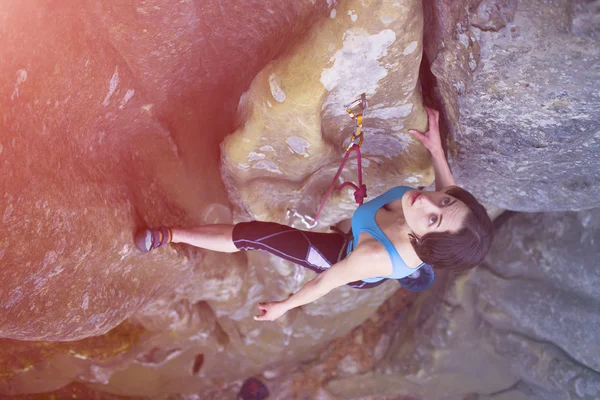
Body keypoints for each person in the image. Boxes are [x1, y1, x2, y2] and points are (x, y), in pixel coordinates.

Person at [135, 107, 494, 322]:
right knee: (430, 236)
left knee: (254, 235)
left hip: (353, 255)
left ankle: (171, 235)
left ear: (424, 239)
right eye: (443, 203)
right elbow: (448, 188)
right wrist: (436, 149)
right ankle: (420, 271)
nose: (427, 202)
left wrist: (284, 307)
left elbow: (325, 283)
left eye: (433, 219)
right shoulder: (439, 201)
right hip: (388, 239)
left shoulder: (371, 257)